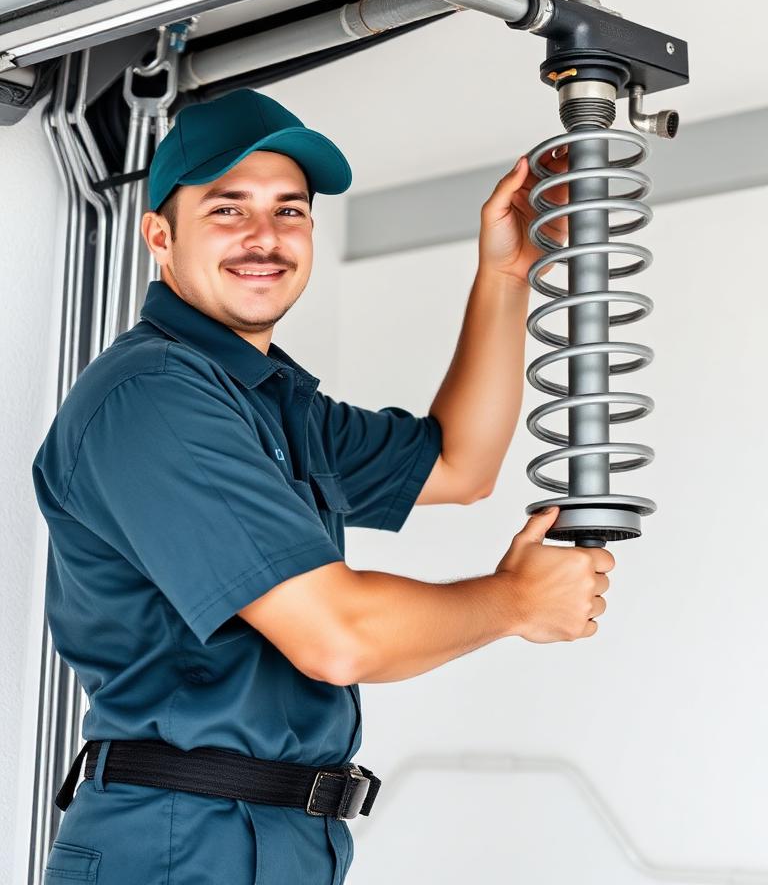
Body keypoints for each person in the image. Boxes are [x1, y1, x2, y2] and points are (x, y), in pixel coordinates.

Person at [31, 87, 614, 884]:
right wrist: (513, 601)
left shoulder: (269, 402)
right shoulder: (154, 397)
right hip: (177, 843)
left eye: (289, 211)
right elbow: (337, 636)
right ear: (160, 237)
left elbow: (457, 467)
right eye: (228, 210)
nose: (264, 237)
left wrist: (506, 273)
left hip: (280, 836)